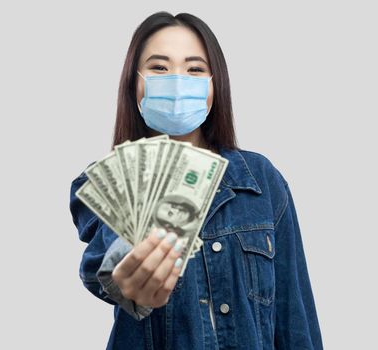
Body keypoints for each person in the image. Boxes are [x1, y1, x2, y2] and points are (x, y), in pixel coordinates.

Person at [69, 11, 323, 349]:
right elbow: (100, 264)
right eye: (159, 67)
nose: (177, 80)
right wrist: (123, 277)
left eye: (195, 69)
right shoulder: (107, 179)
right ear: (134, 82)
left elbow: (295, 319)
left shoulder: (262, 180)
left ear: (215, 85)